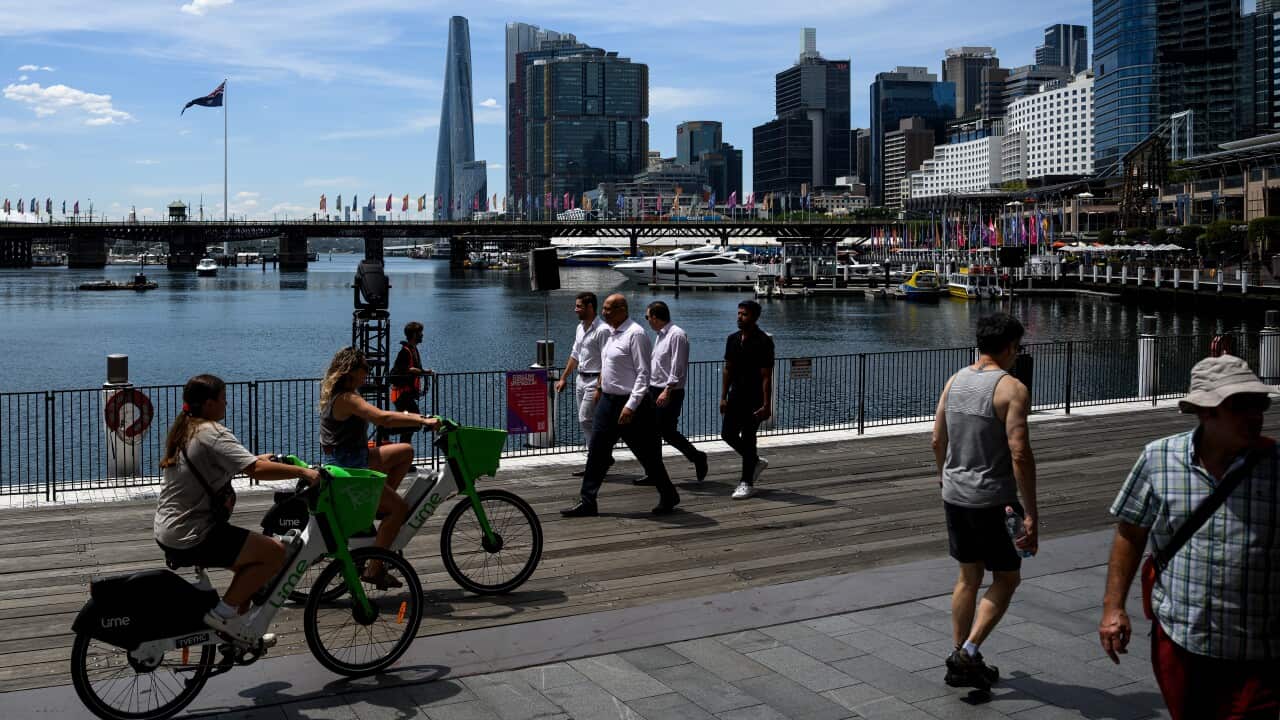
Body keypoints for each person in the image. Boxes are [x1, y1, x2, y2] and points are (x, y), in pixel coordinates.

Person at [1099, 354, 1280, 720]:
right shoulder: (1159, 458)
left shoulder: (1276, 466)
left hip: (1259, 650)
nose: (1255, 415)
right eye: (1239, 406)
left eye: (1258, 403)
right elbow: (1131, 532)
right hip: (1181, 640)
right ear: (1205, 411)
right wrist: (1113, 607)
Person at [155, 374, 319, 642]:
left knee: (249, 573)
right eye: (223, 398)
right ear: (209, 404)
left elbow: (243, 462)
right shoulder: (212, 432)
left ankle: (239, 631)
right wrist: (304, 472)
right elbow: (255, 469)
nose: (227, 403)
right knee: (274, 554)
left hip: (170, 529)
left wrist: (258, 460)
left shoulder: (187, 429)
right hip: (194, 533)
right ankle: (221, 616)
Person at [930, 312, 1037, 691]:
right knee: (1007, 577)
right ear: (1009, 347)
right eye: (1018, 348)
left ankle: (961, 656)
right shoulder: (1012, 389)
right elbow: (1020, 453)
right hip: (994, 499)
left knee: (967, 577)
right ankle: (969, 651)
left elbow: (936, 439)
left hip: (955, 494)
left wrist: (945, 475)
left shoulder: (954, 381)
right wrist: (1032, 515)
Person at [320, 347, 439, 586]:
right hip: (350, 466)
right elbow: (382, 418)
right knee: (399, 509)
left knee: (405, 452)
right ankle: (375, 570)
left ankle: (375, 507)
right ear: (351, 371)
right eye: (366, 368)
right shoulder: (347, 398)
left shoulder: (342, 393)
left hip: (353, 457)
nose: (369, 373)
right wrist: (422, 419)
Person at [561, 293, 679, 517]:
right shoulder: (611, 335)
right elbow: (606, 366)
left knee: (646, 454)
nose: (603, 313)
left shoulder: (636, 334)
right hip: (608, 400)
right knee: (597, 450)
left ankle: (669, 494)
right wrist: (599, 388)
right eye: (603, 309)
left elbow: (644, 374)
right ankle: (588, 501)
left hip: (631, 404)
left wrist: (631, 405)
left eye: (608, 309)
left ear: (622, 310)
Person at [637, 301, 707, 485]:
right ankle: (654, 473)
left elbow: (678, 365)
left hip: (669, 391)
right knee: (652, 432)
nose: (647, 321)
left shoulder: (676, 335)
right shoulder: (660, 335)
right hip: (654, 389)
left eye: (647, 317)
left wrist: (667, 390)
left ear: (656, 317)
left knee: (665, 431)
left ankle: (697, 457)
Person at [554, 292, 613, 477]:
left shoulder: (603, 330)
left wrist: (600, 387)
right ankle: (601, 458)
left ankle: (596, 461)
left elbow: (607, 361)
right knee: (588, 422)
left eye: (579, 306)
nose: (575, 309)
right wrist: (564, 377)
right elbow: (575, 355)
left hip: (595, 380)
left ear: (589, 307)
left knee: (585, 419)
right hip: (580, 379)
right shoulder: (580, 327)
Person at [720, 300, 774, 500]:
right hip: (735, 395)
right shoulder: (732, 339)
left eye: (744, 314)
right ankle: (755, 461)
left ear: (754, 317)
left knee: (749, 438)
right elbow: (728, 369)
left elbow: (767, 375)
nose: (739, 317)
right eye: (739, 313)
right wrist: (723, 396)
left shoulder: (763, 341)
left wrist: (766, 404)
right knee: (727, 434)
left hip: (754, 397)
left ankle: (746, 483)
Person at [387, 321, 433, 444]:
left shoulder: (413, 349)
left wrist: (424, 371)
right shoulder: (405, 351)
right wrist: (414, 370)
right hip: (401, 395)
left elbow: (413, 368)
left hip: (406, 395)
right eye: (420, 333)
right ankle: (386, 429)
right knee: (415, 422)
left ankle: (404, 457)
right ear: (414, 334)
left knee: (409, 427)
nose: (422, 335)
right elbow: (399, 370)